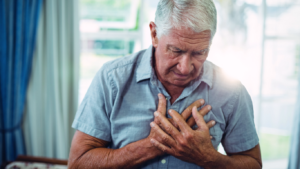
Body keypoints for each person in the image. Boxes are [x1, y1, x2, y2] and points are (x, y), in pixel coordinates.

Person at [68, 0, 262, 168]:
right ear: (154, 34)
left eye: (199, 52)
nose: (185, 68)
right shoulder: (112, 79)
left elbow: (253, 164)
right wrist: (151, 145)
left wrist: (209, 158)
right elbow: (78, 163)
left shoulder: (232, 92)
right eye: (175, 50)